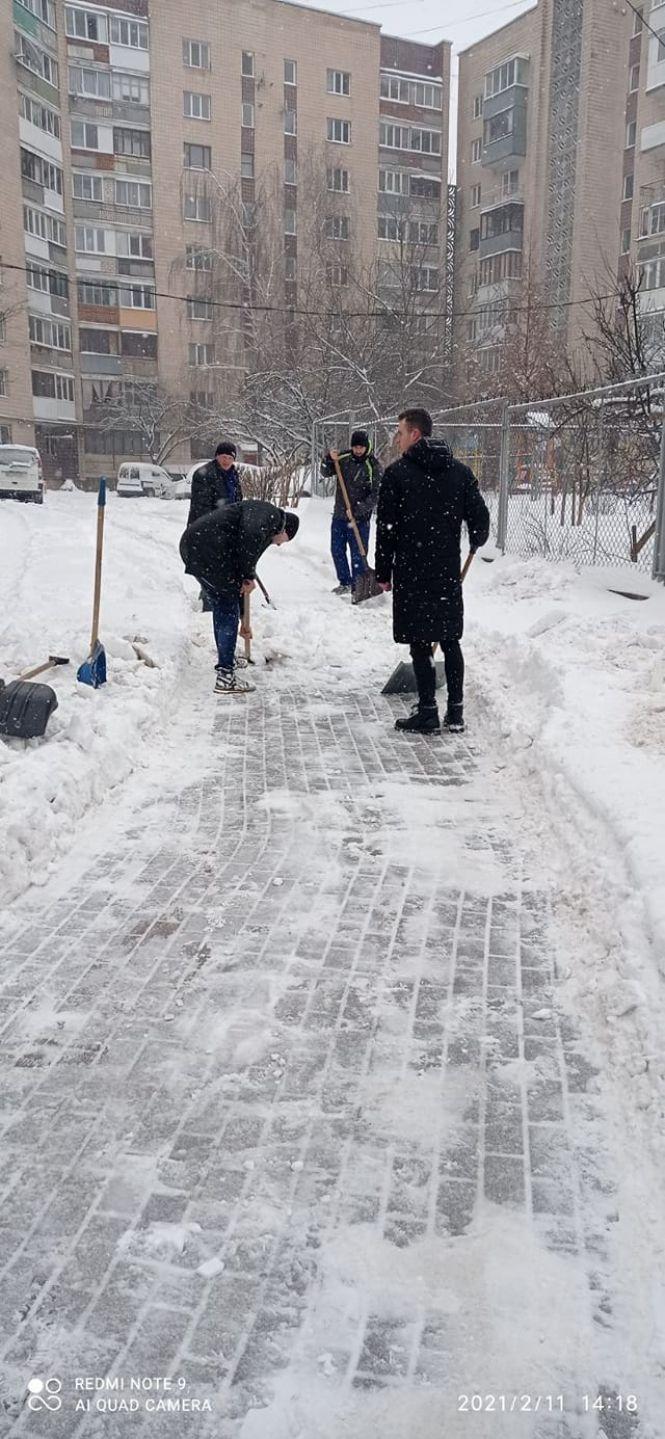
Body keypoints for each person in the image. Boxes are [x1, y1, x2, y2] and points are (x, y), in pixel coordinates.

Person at [375, 407, 490, 736]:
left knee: (420, 642)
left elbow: (386, 529)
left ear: (415, 434)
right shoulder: (460, 473)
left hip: (412, 571)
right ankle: (455, 713)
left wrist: (383, 572)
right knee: (450, 639)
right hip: (445, 571)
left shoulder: (397, 475)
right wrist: (476, 540)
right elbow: (480, 520)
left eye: (400, 432)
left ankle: (427, 712)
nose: (397, 439)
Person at [180, 500, 299, 694]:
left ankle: (227, 661)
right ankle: (225, 676)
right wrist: (246, 576)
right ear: (286, 530)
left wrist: (244, 617)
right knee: (227, 609)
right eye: (284, 541)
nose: (279, 545)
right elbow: (248, 539)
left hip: (199, 547)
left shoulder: (265, 522)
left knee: (223, 606)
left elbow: (246, 556)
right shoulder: (269, 516)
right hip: (207, 550)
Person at [320, 430, 381, 595]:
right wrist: (328, 459)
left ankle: (358, 585)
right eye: (355, 447)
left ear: (366, 447)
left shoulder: (373, 465)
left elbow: (376, 494)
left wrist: (357, 510)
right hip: (340, 515)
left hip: (360, 519)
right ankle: (345, 582)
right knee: (337, 550)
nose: (358, 450)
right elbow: (325, 472)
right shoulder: (343, 458)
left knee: (358, 553)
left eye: (361, 447)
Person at [187, 441, 243, 528]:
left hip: (226, 526)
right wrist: (216, 526)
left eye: (230, 458)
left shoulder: (233, 475)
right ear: (217, 456)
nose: (226, 461)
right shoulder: (204, 474)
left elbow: (237, 500)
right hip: (204, 526)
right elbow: (202, 507)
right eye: (224, 457)